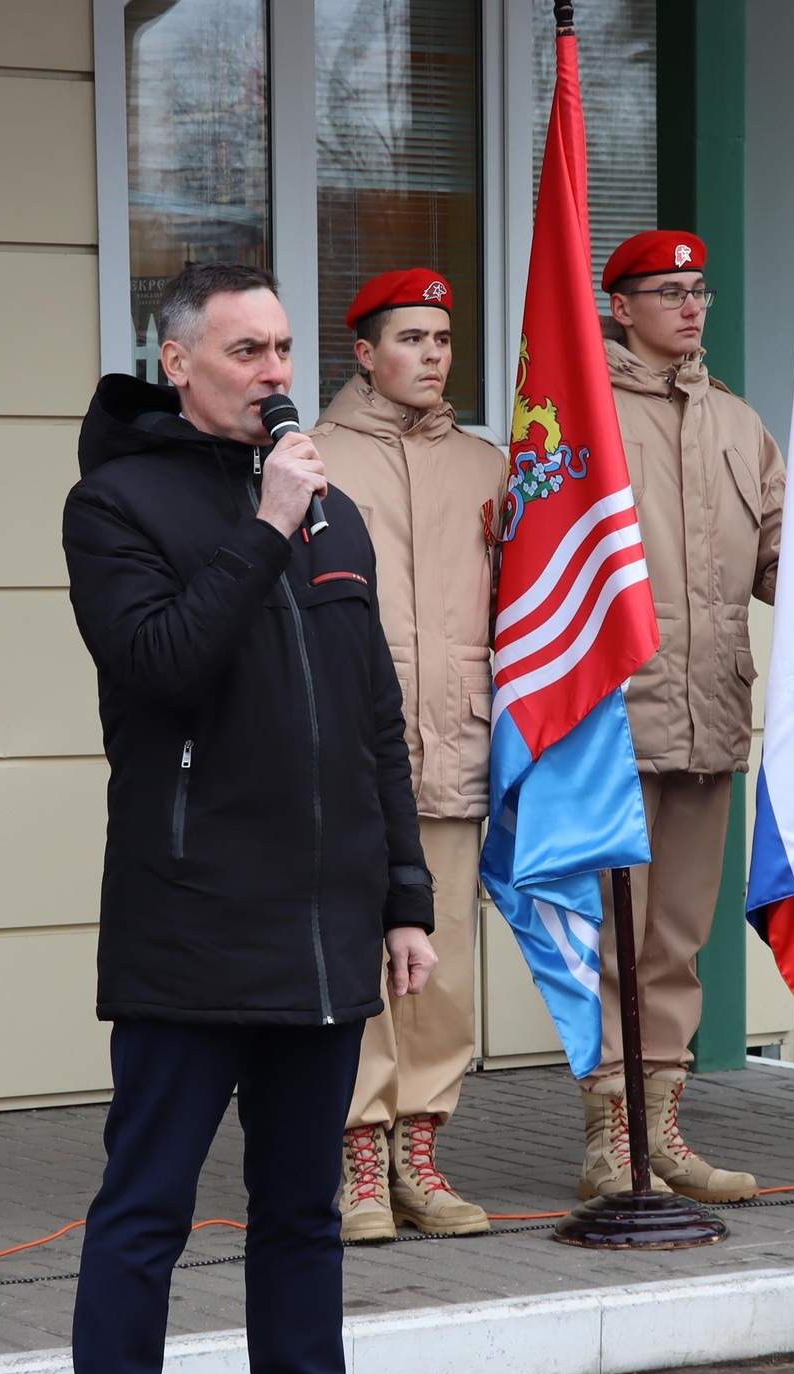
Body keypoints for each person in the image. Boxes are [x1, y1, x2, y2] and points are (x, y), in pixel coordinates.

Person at [61, 261, 452, 1374]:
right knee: (144, 1217)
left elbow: (372, 716)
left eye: (284, 345)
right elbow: (162, 664)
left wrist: (405, 894)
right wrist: (265, 525)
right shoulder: (116, 501)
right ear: (178, 362)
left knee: (303, 1213)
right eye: (244, 348)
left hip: (326, 927)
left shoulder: (326, 500)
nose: (274, 369)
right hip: (189, 928)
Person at [581, 229, 782, 1204]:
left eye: (699, 289)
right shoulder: (580, 418)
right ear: (620, 307)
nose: (691, 306)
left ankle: (660, 1130)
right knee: (611, 937)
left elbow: (785, 559)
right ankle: (608, 1138)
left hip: (709, 722)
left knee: (675, 941)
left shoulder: (739, 426)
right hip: (610, 727)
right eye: (668, 291)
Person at [310, 268, 506, 1244]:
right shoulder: (310, 460)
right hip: (344, 755)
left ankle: (420, 1153)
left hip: (455, 743)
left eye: (442, 338)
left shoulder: (488, 466)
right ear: (363, 352)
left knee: (442, 964)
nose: (432, 355)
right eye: (411, 338)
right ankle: (358, 1159)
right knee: (356, 957)